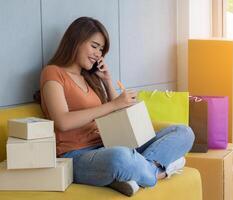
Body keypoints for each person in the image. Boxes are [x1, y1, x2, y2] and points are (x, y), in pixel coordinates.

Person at [40, 16, 195, 196]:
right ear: (76, 40)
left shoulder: (90, 78)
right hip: (75, 156)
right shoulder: (53, 72)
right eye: (94, 46)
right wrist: (113, 104)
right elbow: (62, 121)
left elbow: (117, 115)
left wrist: (107, 81)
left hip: (106, 146)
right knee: (120, 157)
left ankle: (136, 172)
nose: (98, 54)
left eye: (101, 50)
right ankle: (159, 172)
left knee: (184, 132)